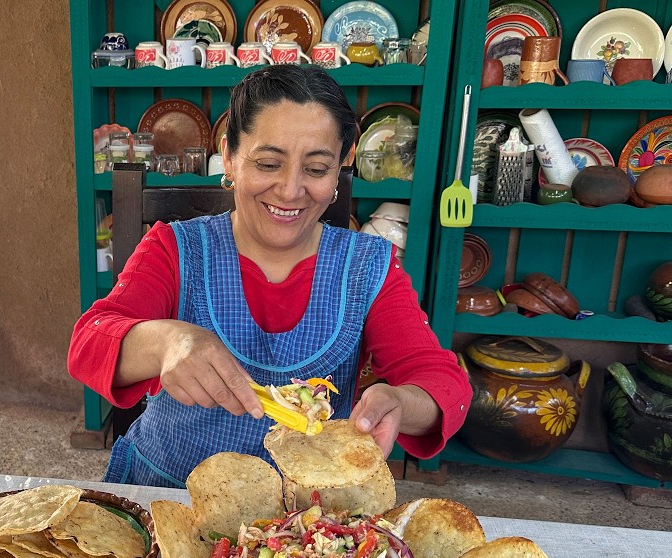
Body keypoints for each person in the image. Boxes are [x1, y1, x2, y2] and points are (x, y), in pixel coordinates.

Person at [68, 64, 470, 488]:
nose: (290, 190)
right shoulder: (175, 250)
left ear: (341, 167)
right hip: (169, 494)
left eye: (316, 169)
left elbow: (443, 383)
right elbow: (88, 343)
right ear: (229, 157)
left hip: (304, 525)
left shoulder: (368, 267)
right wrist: (167, 343)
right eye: (267, 163)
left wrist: (400, 402)